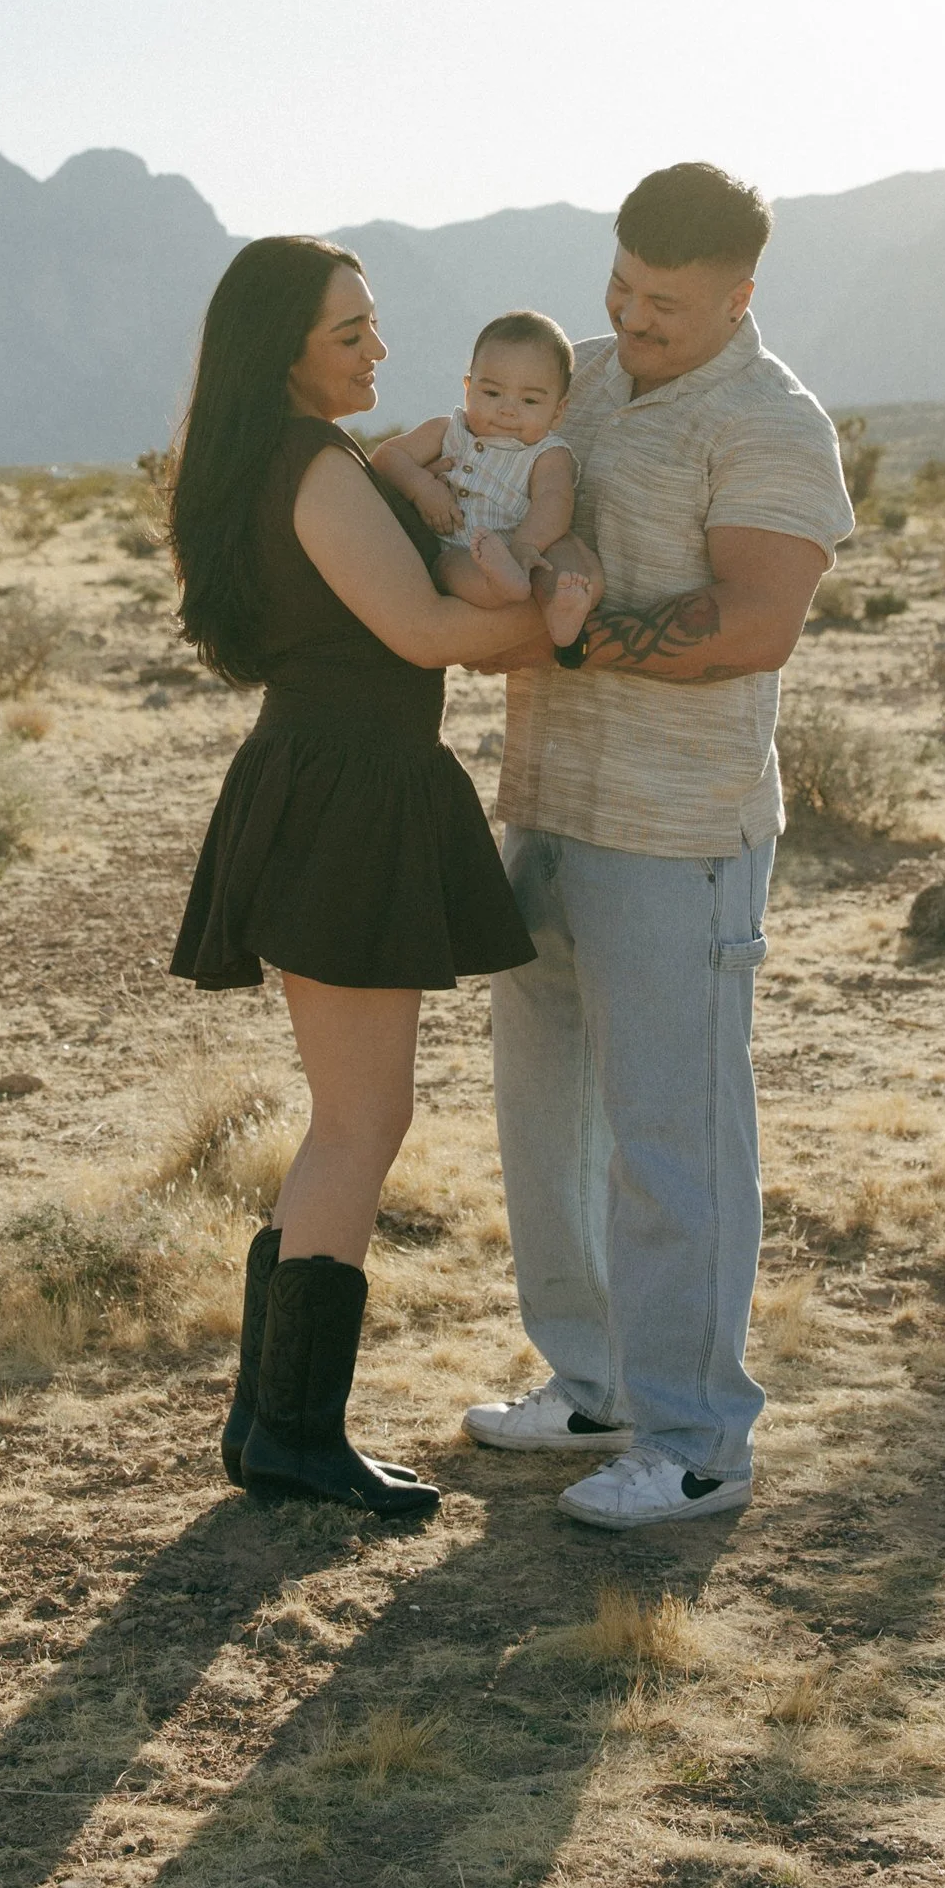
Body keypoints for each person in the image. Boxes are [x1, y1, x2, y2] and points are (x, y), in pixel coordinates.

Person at [464, 161, 854, 1528]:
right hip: (547, 804)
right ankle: (593, 1385)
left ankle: (695, 1443)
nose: (632, 318)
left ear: (739, 296)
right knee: (545, 1118)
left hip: (677, 831)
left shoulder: (770, 422)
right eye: (621, 287)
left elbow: (752, 623)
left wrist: (572, 631)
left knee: (669, 1140)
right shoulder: (568, 374)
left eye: (666, 304)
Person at [169, 238, 546, 1521]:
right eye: (350, 335)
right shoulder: (314, 466)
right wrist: (563, 624)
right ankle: (293, 1434)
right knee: (359, 1124)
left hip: (333, 783)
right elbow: (425, 630)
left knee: (349, 1118)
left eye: (375, 327)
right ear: (282, 351)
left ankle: (268, 1421)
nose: (378, 353)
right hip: (345, 796)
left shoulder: (289, 458)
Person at [372, 311, 603, 645]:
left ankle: (561, 611)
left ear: (558, 410)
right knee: (448, 569)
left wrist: (525, 546)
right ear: (468, 388)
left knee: (559, 560)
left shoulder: (547, 453)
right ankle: (502, 584)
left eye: (530, 400)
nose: (508, 409)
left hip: (527, 544)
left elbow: (555, 502)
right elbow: (387, 457)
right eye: (492, 393)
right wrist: (422, 488)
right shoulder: (448, 431)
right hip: (459, 547)